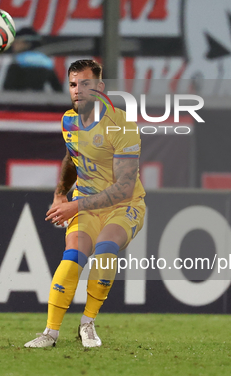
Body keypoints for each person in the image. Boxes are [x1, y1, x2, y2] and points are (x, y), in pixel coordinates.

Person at [24, 59, 146, 348]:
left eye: (85, 84)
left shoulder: (122, 125)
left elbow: (124, 188)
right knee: (73, 257)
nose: (78, 90)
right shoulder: (69, 120)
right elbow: (71, 157)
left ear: (100, 87)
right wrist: (60, 193)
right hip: (85, 204)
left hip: (123, 205)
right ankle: (50, 333)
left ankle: (87, 323)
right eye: (73, 84)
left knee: (105, 249)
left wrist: (74, 206)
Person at [3, 27, 63, 92]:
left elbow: (7, 88)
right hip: (39, 100)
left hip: (18, 100)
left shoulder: (17, 62)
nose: (13, 45)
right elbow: (58, 89)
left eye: (17, 42)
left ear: (27, 44)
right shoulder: (46, 62)